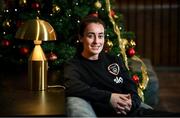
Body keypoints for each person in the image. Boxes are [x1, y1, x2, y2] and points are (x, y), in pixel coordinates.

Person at [61, 16, 179, 117]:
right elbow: (72, 86)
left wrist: (133, 102)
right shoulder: (74, 65)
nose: (97, 41)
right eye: (91, 36)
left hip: (133, 111)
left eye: (100, 36)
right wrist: (110, 98)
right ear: (81, 38)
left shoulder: (113, 59)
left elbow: (130, 85)